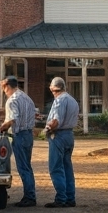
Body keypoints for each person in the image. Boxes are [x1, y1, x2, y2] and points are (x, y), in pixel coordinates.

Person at [0, 74, 37, 207]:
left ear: (7, 86)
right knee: (27, 166)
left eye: (3, 87)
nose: (3, 90)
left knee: (23, 167)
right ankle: (30, 195)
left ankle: (29, 197)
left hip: (19, 134)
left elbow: (12, 119)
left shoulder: (12, 100)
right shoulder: (26, 98)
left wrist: (1, 128)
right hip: (28, 134)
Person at [43, 77, 78, 208]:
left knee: (56, 168)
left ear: (52, 88)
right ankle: (70, 197)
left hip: (59, 136)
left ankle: (61, 198)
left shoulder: (59, 100)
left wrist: (45, 129)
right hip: (69, 134)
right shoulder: (72, 100)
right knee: (67, 167)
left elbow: (56, 121)